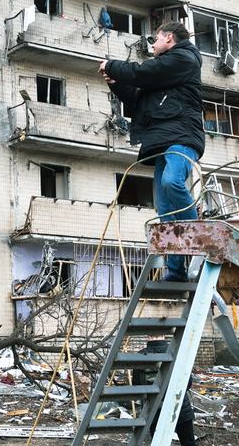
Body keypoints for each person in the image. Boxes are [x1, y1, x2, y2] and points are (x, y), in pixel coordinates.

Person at [100, 20, 204, 282]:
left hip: (181, 136)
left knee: (172, 181)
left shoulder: (184, 58)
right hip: (160, 141)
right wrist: (116, 83)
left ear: (169, 38)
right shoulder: (163, 77)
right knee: (165, 210)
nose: (153, 45)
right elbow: (138, 103)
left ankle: (200, 233)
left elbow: (143, 73)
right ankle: (176, 270)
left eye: (156, 39)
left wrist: (113, 65)